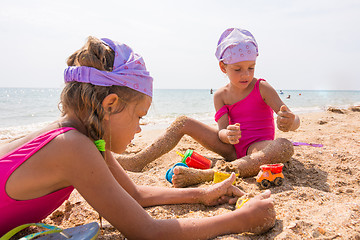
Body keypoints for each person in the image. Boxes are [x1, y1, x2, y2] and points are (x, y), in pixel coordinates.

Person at [0, 36, 276, 239]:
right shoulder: (72, 147)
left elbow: (135, 194)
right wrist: (241, 220)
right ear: (110, 105)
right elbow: (147, 232)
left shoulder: (84, 139)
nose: (139, 129)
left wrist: (203, 194)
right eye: (139, 117)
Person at [117, 28, 300, 188]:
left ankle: (209, 175)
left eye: (251, 68)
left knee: (284, 147)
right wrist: (227, 135)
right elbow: (221, 132)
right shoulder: (220, 95)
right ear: (223, 67)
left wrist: (290, 121)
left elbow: (292, 120)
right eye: (238, 69)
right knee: (183, 122)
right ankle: (138, 160)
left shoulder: (262, 87)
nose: (246, 74)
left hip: (258, 148)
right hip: (230, 148)